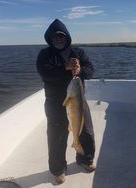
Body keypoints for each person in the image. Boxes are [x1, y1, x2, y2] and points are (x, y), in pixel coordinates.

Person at [36, 19, 95, 184]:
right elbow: (46, 74)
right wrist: (65, 68)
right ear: (50, 38)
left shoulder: (78, 53)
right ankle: (57, 169)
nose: (59, 39)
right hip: (55, 102)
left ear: (67, 37)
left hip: (78, 101)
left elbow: (90, 71)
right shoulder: (45, 55)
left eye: (61, 36)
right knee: (57, 136)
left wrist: (80, 69)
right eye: (55, 37)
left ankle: (85, 158)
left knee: (86, 131)